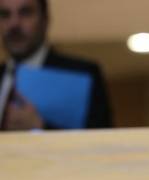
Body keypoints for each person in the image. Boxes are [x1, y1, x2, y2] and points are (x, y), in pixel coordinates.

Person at [0, 0, 112, 130]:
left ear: (45, 20)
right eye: (5, 14)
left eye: (25, 13)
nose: (14, 23)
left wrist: (41, 127)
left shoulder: (81, 74)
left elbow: (103, 137)